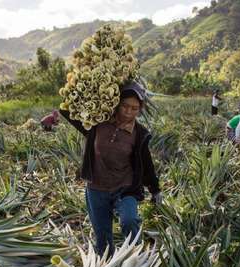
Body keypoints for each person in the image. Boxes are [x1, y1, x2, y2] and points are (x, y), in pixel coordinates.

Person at [57, 82, 162, 256]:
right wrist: (78, 91)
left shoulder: (139, 134)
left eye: (134, 108)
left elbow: (147, 164)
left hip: (125, 188)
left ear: (140, 110)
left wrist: (155, 189)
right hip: (97, 188)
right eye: (125, 106)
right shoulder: (97, 123)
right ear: (117, 104)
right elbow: (67, 111)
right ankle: (108, 264)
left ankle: (136, 257)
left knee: (129, 221)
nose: (128, 112)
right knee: (103, 239)